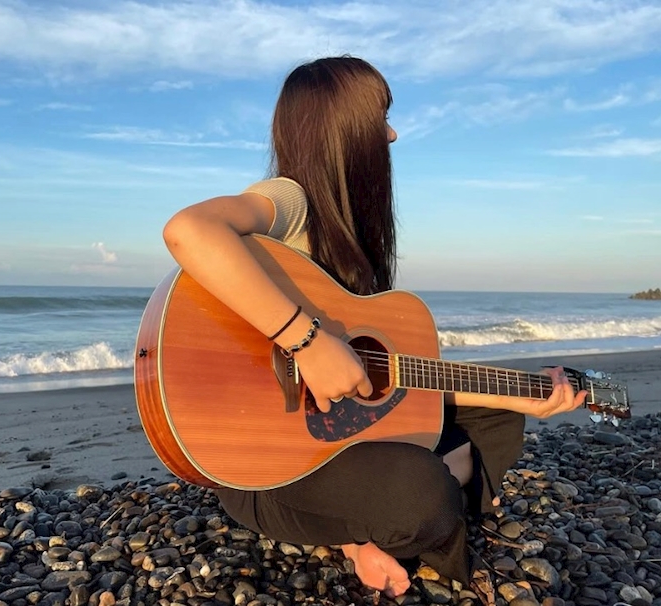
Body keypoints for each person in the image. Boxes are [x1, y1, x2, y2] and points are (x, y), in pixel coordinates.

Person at [161, 56, 585, 600]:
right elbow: (190, 229)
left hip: (338, 443)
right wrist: (306, 341)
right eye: (380, 118)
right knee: (422, 491)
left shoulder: (350, 235)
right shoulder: (290, 199)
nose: (392, 134)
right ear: (342, 130)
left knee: (501, 420)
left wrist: (519, 396)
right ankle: (364, 531)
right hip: (266, 472)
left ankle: (361, 531)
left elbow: (394, 381)